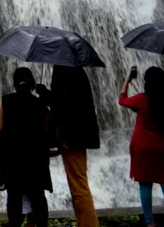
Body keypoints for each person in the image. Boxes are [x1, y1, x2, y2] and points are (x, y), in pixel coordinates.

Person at [120, 66, 164, 227]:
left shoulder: (142, 99)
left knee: (144, 183)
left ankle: (149, 223)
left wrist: (128, 80)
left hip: (142, 146)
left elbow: (122, 100)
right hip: (162, 146)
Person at [0, 67, 52, 227]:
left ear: (14, 83)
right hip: (35, 157)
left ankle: (14, 224)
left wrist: (6, 142)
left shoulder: (4, 101)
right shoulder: (40, 103)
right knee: (38, 196)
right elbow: (46, 130)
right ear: (32, 83)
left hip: (12, 156)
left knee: (14, 196)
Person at [49, 66, 100, 227]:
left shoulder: (64, 70)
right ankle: (83, 222)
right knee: (77, 185)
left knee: (79, 186)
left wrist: (64, 135)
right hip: (77, 136)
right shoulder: (76, 70)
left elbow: (65, 105)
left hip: (72, 137)